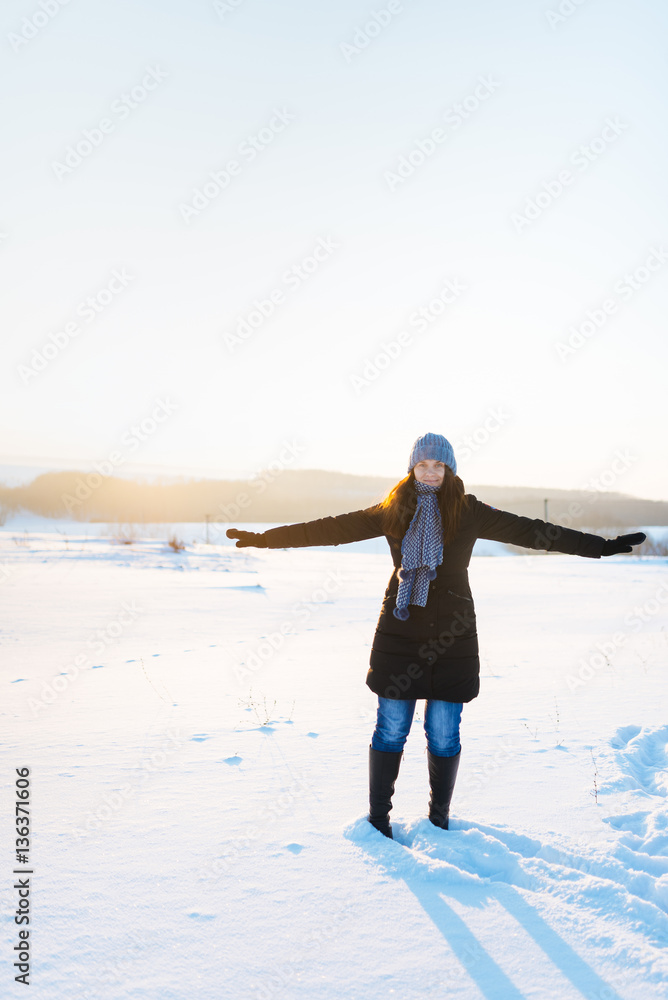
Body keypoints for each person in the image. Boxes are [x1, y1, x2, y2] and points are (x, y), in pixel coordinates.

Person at [226, 433, 646, 839]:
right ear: (411, 469)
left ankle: (439, 819)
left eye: (438, 465)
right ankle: (378, 820)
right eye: (422, 464)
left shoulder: (469, 511)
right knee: (391, 729)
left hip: (453, 637)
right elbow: (330, 529)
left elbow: (534, 532)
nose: (430, 472)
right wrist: (265, 540)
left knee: (444, 734)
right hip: (400, 632)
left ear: (450, 469)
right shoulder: (392, 510)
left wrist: (601, 546)